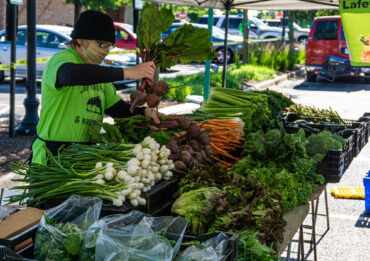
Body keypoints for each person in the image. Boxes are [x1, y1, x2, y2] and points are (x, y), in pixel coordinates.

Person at [31, 10, 159, 165]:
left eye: (109, 46)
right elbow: (70, 75)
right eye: (101, 44)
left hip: (86, 155)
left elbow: (118, 110)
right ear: (80, 40)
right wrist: (127, 72)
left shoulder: (98, 73)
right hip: (53, 154)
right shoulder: (62, 60)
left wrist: (144, 112)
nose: (105, 51)